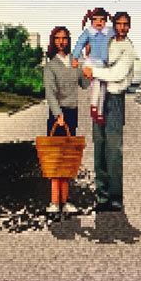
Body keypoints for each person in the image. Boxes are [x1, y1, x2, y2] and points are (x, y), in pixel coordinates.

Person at [83, 12, 134, 212]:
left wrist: (94, 71)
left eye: (125, 24)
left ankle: (115, 198)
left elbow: (117, 74)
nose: (122, 27)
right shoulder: (107, 41)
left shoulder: (127, 48)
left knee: (113, 150)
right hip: (100, 98)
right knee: (99, 147)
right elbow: (96, 58)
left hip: (115, 100)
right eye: (118, 24)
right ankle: (101, 196)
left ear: (129, 27)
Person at [44, 26, 89, 213]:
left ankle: (66, 200)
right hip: (57, 115)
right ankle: (55, 202)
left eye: (64, 38)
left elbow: (84, 84)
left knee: (68, 159)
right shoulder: (51, 66)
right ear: (53, 41)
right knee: (55, 159)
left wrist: (87, 70)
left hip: (72, 114)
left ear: (68, 41)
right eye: (57, 38)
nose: (61, 41)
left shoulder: (74, 61)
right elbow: (50, 93)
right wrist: (58, 114)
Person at [71, 7, 114, 125]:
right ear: (91, 21)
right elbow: (79, 44)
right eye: (95, 19)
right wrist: (75, 57)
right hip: (92, 62)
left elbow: (118, 35)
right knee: (97, 83)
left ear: (106, 21)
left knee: (104, 88)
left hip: (105, 63)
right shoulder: (89, 32)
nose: (99, 22)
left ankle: (100, 112)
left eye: (102, 19)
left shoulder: (109, 31)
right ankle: (93, 106)